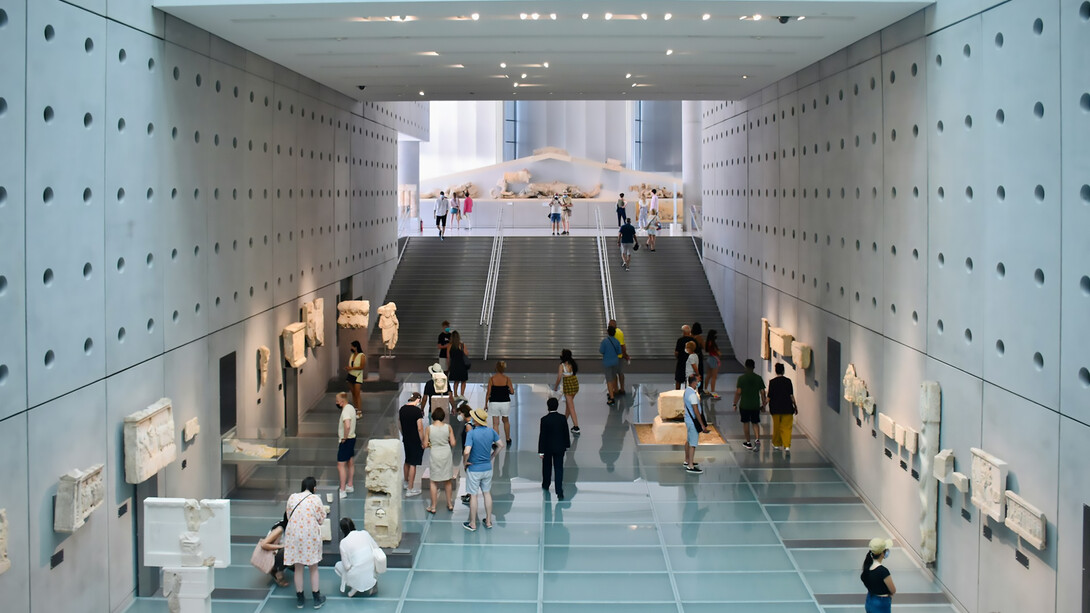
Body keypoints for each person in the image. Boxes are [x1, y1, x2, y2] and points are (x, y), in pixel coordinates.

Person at [284, 477, 327, 609]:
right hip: (310, 536)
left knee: (298, 568)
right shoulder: (315, 499)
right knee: (313, 567)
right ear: (314, 488)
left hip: (294, 535)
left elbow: (288, 515)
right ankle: (316, 598)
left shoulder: (292, 497)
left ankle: (300, 599)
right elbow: (321, 519)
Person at [463, 408, 503, 531]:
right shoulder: (491, 432)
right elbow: (501, 445)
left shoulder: (471, 433)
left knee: (474, 496)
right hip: (487, 468)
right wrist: (492, 456)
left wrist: (465, 462)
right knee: (487, 493)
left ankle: (473, 523)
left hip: (474, 468)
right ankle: (489, 521)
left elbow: (466, 451)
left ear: (475, 420)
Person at [334, 518, 384, 597]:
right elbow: (376, 548)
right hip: (371, 568)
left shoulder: (343, 543)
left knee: (338, 566)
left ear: (342, 530)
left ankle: (355, 585)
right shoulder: (364, 533)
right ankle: (370, 581)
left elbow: (347, 566)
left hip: (356, 572)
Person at [423, 406, 456, 513]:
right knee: (447, 480)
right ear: (442, 417)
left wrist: (430, 444)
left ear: (433, 416)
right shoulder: (448, 427)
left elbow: (424, 444)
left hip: (435, 454)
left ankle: (433, 506)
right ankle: (450, 504)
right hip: (446, 453)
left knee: (433, 481)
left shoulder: (429, 428)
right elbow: (453, 443)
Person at [539, 397, 571, 499]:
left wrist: (541, 451)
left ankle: (546, 484)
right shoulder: (562, 418)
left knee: (546, 467)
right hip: (559, 447)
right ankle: (559, 491)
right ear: (557, 406)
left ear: (548, 407)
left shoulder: (544, 420)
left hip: (547, 448)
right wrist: (566, 445)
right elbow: (566, 433)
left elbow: (542, 436)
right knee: (559, 468)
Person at [733, 359, 767, 451]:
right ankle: (757, 439)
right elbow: (763, 392)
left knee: (746, 423)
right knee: (755, 423)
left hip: (744, 405)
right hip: (755, 405)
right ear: (754, 367)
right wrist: (764, 405)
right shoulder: (758, 378)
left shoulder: (741, 378)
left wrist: (734, 403)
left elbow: (738, 392)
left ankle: (748, 443)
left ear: (745, 367)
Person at [399, 392, 425, 496]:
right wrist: (422, 440)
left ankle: (406, 482)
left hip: (406, 438)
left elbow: (399, 424)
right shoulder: (417, 411)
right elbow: (420, 428)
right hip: (415, 440)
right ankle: (410, 488)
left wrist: (403, 434)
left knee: (407, 460)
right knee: (413, 463)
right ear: (418, 400)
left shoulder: (402, 409)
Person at [861, 537, 896, 612]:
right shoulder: (883, 571)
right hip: (881, 604)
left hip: (870, 600)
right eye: (886, 550)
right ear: (882, 553)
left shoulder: (867, 567)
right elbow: (893, 590)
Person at [768, 363, 798, 453]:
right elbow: (791, 396)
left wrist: (763, 405)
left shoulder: (772, 382)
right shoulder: (788, 381)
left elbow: (769, 397)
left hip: (775, 408)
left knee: (776, 427)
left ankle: (776, 444)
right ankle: (787, 445)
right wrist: (795, 406)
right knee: (787, 427)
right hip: (787, 408)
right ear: (783, 371)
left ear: (776, 371)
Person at [256, 513, 291, 587]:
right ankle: (276, 571)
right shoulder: (280, 529)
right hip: (273, 554)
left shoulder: (290, 527)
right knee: (287, 550)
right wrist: (282, 546)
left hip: (279, 551)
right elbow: (264, 544)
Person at [485, 361, 515, 445]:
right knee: (506, 421)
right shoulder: (507, 379)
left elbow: (488, 393)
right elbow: (512, 391)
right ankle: (508, 439)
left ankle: (496, 441)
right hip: (505, 402)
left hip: (494, 402)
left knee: (495, 423)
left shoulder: (492, 379)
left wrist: (485, 404)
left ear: (496, 368)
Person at [683, 374, 707, 473]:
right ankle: (691, 465)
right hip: (693, 422)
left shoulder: (687, 391)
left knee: (688, 440)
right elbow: (696, 411)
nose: (698, 383)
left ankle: (687, 460)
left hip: (688, 420)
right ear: (693, 382)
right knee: (693, 443)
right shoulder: (693, 395)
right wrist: (702, 424)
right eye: (697, 381)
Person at [335, 392, 357, 499]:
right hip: (352, 439)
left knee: (341, 465)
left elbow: (347, 425)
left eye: (337, 400)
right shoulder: (351, 408)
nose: (336, 402)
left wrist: (344, 437)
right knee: (350, 462)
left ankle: (342, 490)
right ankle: (350, 484)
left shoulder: (345, 411)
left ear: (342, 401)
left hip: (346, 440)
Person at [553, 349, 580, 434]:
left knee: (571, 407)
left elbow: (559, 378)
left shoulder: (562, 365)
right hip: (575, 385)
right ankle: (564, 422)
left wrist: (555, 387)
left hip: (568, 387)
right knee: (568, 406)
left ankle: (576, 427)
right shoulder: (572, 363)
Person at [600, 322, 623, 407]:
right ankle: (615, 390)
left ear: (608, 332)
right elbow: (619, 352)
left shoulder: (604, 341)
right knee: (613, 377)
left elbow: (601, 351)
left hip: (607, 362)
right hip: (615, 362)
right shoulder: (617, 341)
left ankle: (612, 397)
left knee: (609, 380)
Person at [608, 319, 629, 395]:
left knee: (614, 374)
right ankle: (622, 389)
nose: (609, 326)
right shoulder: (619, 332)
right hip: (619, 357)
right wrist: (625, 354)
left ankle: (615, 390)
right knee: (620, 373)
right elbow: (623, 345)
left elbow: (622, 345)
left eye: (610, 324)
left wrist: (625, 354)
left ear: (614, 325)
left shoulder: (615, 333)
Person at [447, 330, 470, 397]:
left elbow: (448, 357)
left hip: (454, 365)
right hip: (462, 365)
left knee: (456, 381)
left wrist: (449, 366)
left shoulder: (449, 346)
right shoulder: (462, 345)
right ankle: (462, 394)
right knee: (463, 381)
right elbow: (466, 353)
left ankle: (455, 394)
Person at [674, 325, 696, 390]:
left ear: (683, 332)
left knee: (678, 379)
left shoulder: (680, 340)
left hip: (681, 362)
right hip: (690, 363)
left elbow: (676, 352)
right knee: (690, 379)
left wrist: (678, 357)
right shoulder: (693, 340)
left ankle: (677, 393)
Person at [346, 340, 365, 413]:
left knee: (357, 394)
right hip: (350, 375)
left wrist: (352, 368)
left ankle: (359, 410)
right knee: (353, 393)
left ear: (356, 347)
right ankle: (355, 408)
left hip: (357, 376)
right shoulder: (352, 355)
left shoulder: (362, 355)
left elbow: (362, 366)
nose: (351, 348)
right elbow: (352, 365)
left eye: (352, 346)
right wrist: (348, 368)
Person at [704, 330, 722, 398]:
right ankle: (713, 392)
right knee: (714, 377)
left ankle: (705, 390)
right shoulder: (713, 344)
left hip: (709, 358)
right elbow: (719, 353)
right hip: (714, 360)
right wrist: (719, 354)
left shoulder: (708, 342)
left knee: (708, 375)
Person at [691, 322, 706, 394]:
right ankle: (700, 389)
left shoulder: (691, 337)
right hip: (698, 357)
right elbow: (704, 347)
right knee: (700, 372)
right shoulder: (699, 338)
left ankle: (691, 387)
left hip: (691, 357)